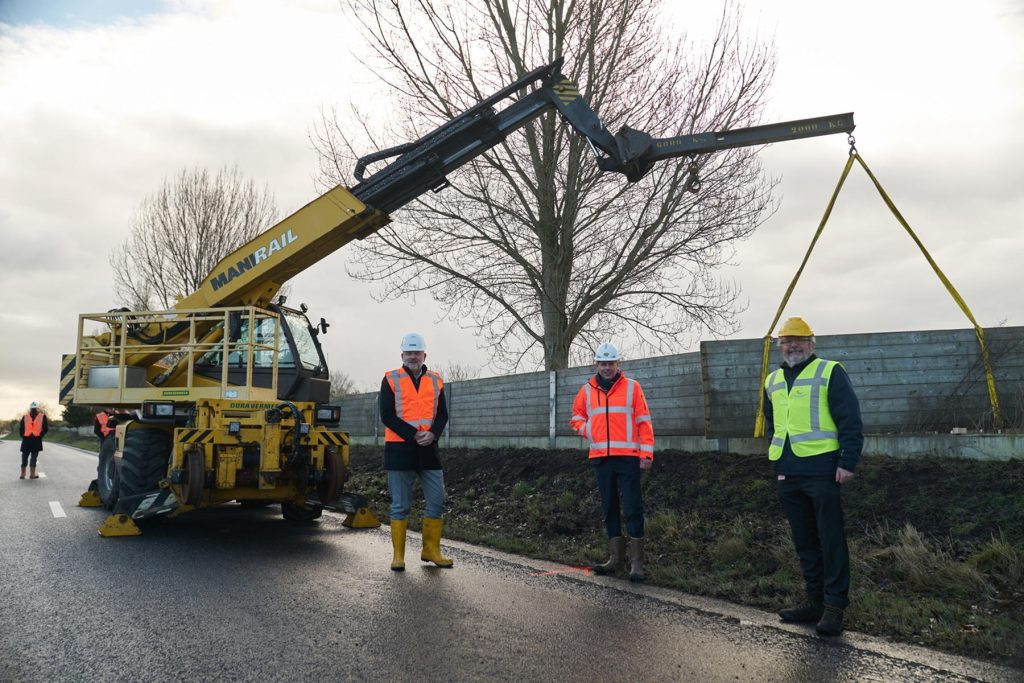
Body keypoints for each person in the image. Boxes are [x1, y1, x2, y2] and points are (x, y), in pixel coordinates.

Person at [763, 317, 863, 637]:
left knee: (831, 540)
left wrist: (847, 461)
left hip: (822, 470)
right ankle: (814, 601)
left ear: (812, 343)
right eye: (786, 340)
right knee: (804, 540)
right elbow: (772, 422)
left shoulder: (830, 371)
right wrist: (776, 457)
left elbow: (850, 419)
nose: (791, 345)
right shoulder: (773, 380)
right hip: (787, 471)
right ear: (779, 345)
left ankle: (834, 607)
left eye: (798, 340)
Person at [570, 342, 654, 582]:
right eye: (603, 364)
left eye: (611, 363)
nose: (607, 368)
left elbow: (644, 422)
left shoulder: (632, 388)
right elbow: (576, 417)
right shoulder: (586, 390)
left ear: (618, 364)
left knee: (633, 508)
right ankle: (615, 559)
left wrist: (646, 454)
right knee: (609, 508)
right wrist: (590, 431)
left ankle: (637, 564)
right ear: (597, 364)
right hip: (601, 458)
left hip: (628, 457)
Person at [379, 332, 452, 571]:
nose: (413, 357)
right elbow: (387, 415)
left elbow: (442, 415)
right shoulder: (391, 379)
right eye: (409, 353)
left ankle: (431, 550)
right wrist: (413, 434)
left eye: (417, 353)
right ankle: (398, 556)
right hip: (400, 449)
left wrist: (432, 434)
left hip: (429, 449)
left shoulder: (436, 380)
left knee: (437, 500)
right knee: (401, 505)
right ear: (402, 355)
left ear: (424, 355)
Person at [19, 401, 49, 480]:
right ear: (37, 409)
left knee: (24, 457)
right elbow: (45, 429)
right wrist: (40, 435)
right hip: (36, 440)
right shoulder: (42, 416)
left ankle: (23, 474)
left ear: (30, 409)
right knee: (33, 458)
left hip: (27, 440)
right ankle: (32, 474)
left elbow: (21, 429)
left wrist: (23, 435)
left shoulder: (25, 417)